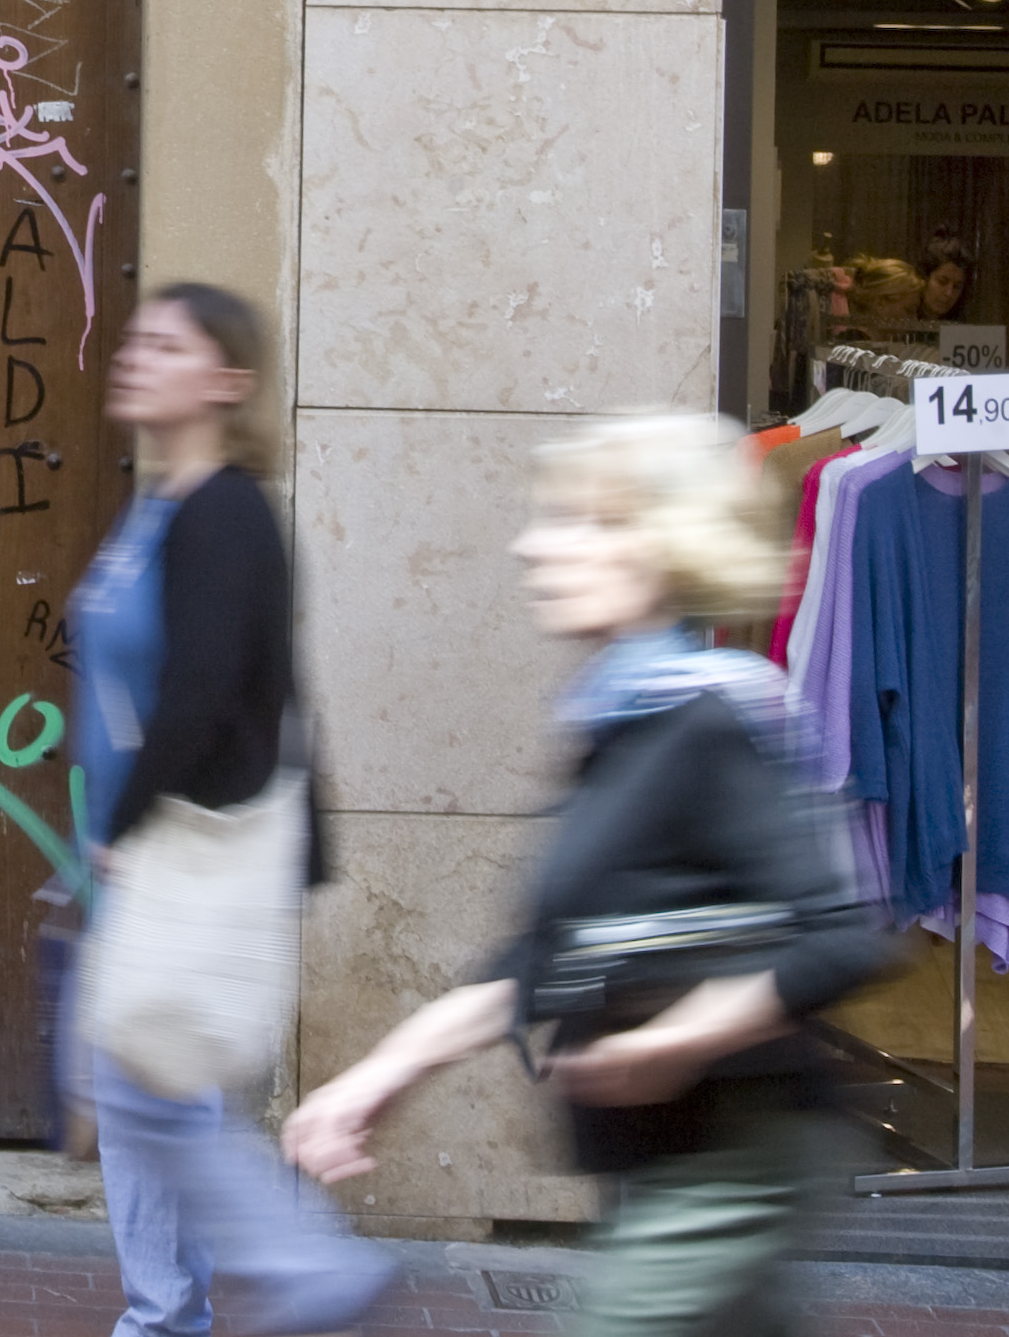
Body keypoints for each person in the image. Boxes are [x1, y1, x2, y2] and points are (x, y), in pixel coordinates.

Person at [286, 414, 879, 1337]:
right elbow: (540, 958)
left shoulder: (707, 719)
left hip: (734, 1154)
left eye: (579, 521)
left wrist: (672, 1041)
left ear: (661, 545)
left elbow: (839, 938)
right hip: (666, 1159)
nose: (531, 545)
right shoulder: (623, 716)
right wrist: (377, 1078)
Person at [74, 284, 389, 1337]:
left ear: (228, 380)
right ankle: (179, 1308)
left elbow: (206, 690)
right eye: (136, 338)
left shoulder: (226, 511)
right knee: (136, 1088)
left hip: (181, 841)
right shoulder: (161, 504)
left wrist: (120, 823)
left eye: (168, 345)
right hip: (150, 840)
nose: (136, 355)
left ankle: (288, 1270)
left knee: (148, 1090)